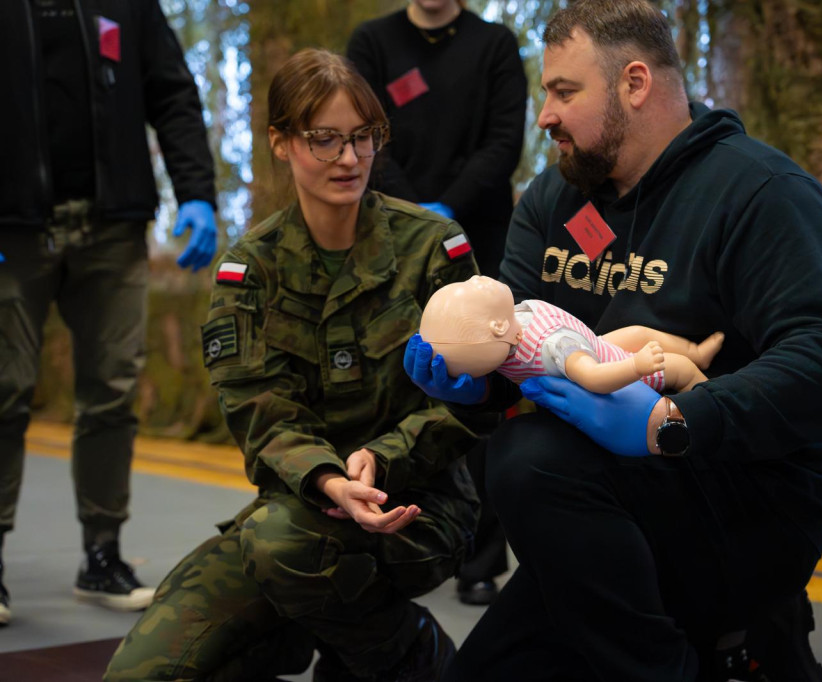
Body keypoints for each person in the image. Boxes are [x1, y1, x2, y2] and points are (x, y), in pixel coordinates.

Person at [404, 0, 822, 680]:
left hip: (744, 500)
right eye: (546, 94)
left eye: (564, 91)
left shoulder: (763, 193)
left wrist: (674, 422)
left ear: (634, 83)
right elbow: (514, 353)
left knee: (530, 458)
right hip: (592, 512)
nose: (545, 116)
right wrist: (471, 383)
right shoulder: (553, 200)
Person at [104, 48, 480, 682]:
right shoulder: (250, 270)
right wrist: (332, 481)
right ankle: (322, 631)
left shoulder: (432, 250)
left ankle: (407, 653)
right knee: (147, 670)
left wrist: (383, 458)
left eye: (364, 138)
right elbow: (261, 413)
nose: (350, 159)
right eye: (324, 140)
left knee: (282, 549)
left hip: (419, 509)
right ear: (281, 143)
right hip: (299, 511)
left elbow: (473, 399)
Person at [0, 0, 217, 625]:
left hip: (113, 229)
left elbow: (174, 95)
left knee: (113, 393)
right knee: (4, 390)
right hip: (12, 231)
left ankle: (102, 554)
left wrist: (198, 194)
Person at [347, 0, 528, 606]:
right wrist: (417, 215)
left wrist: (448, 210)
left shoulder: (495, 44)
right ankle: (393, 537)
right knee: (397, 379)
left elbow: (504, 141)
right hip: (388, 236)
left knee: (482, 387)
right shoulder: (372, 43)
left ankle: (479, 558)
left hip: (479, 239)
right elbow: (365, 138)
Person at [417, 274, 724, 393]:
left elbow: (476, 349)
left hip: (595, 344)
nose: (473, 277)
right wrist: (636, 366)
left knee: (641, 331)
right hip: (613, 370)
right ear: (497, 326)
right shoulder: (552, 347)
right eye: (471, 288)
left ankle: (695, 350)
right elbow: (592, 378)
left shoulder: (508, 327)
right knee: (680, 368)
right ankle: (704, 386)